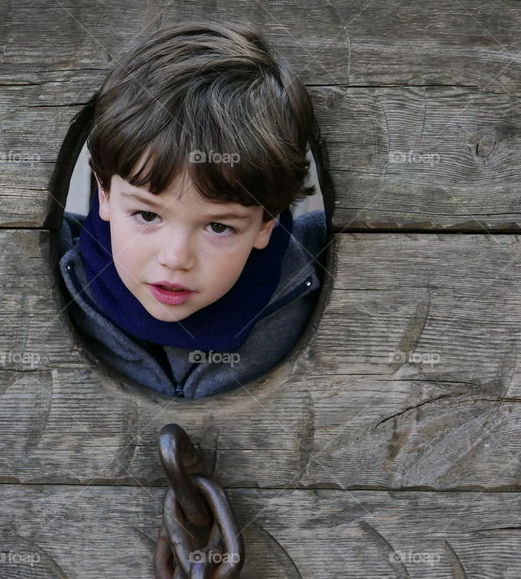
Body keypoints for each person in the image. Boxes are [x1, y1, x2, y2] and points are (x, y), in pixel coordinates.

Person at [57, 21, 329, 398]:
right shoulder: (58, 273)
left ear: (267, 221)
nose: (175, 258)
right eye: (148, 215)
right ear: (104, 194)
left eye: (218, 226)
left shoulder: (314, 272)